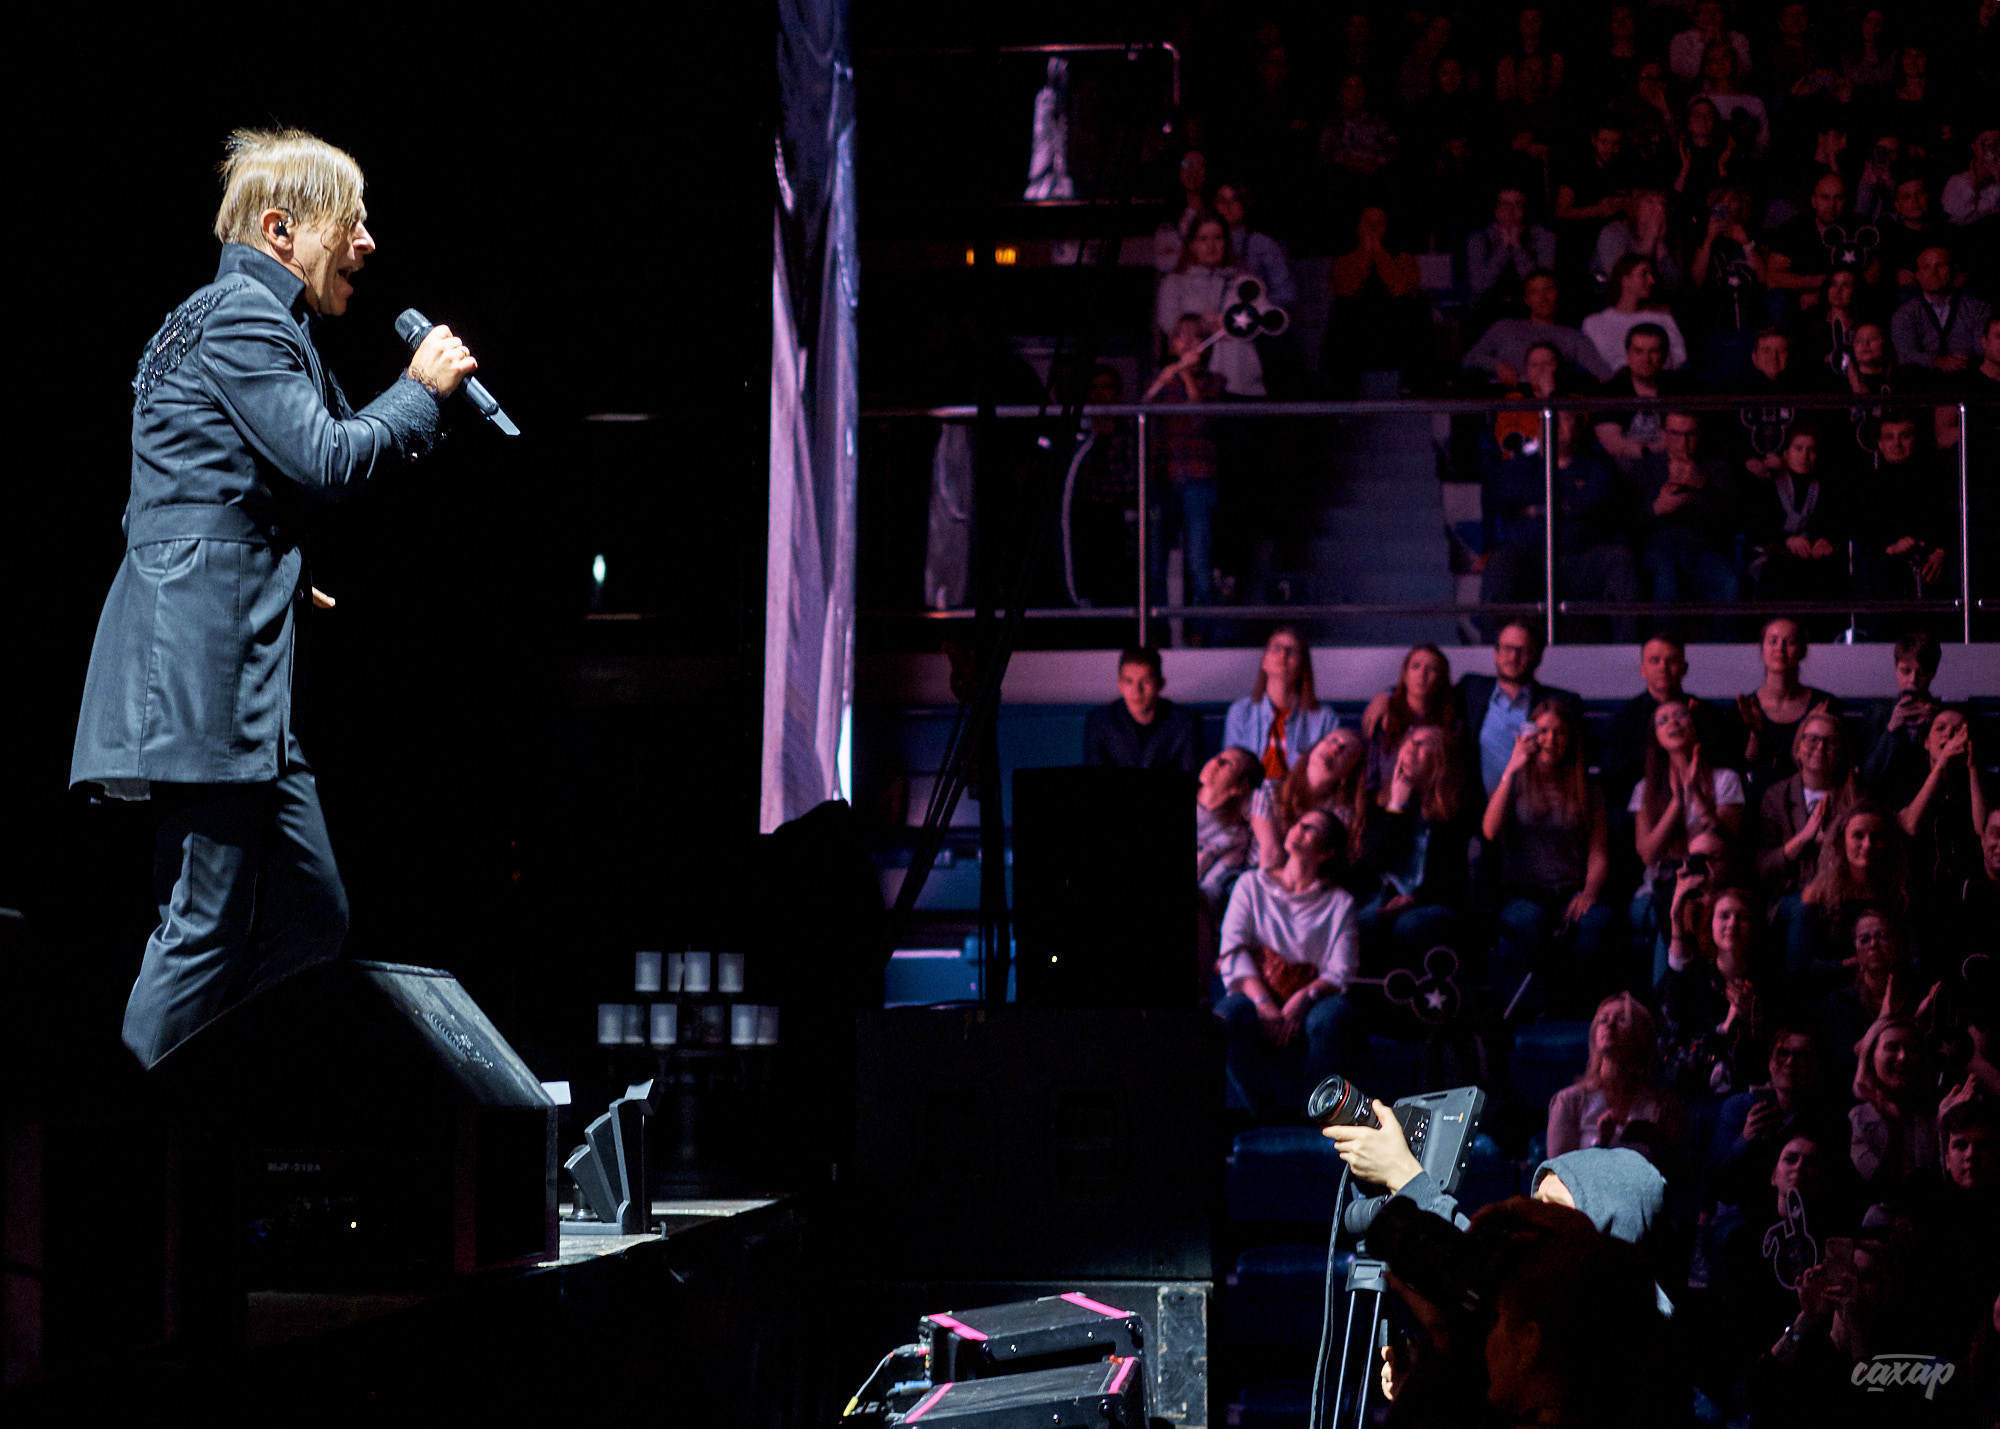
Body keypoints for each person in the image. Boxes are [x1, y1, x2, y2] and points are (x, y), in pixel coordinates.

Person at [71, 128, 481, 1068]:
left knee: (311, 911)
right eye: (355, 219)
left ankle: (202, 1088)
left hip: (235, 663)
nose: (368, 243)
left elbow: (199, 494)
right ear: (280, 228)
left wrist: (279, 576)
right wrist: (419, 391)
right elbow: (327, 455)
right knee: (203, 924)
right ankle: (131, 1135)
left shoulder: (238, 319)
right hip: (206, 672)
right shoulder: (241, 319)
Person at [1215, 809, 1362, 1116]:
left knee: (1332, 1017)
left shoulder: (1339, 902)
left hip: (1308, 996)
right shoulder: (1251, 885)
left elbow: (1342, 970)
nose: (1299, 828)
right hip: (1257, 991)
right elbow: (1234, 949)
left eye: (1312, 829)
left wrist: (1302, 999)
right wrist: (1264, 1003)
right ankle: (1265, 1116)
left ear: (1326, 853)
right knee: (1229, 1014)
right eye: (1299, 823)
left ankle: (1312, 1114)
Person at [1485, 699, 1615, 1009]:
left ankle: (1579, 1010)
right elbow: (1489, 830)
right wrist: (1511, 768)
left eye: (1559, 733)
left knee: (1596, 924)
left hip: (1571, 889)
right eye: (1543, 731)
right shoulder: (1516, 780)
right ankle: (1541, 1008)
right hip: (1524, 892)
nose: (1551, 740)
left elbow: (1598, 851)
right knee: (1530, 923)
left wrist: (1589, 892)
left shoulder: (1588, 786)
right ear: (1531, 735)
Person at [1478, 406, 1641, 644]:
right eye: (1548, 418)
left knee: (1620, 559)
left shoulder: (1598, 466)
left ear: (1579, 425)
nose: (1555, 424)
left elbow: (1595, 502)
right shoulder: (1521, 466)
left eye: (1564, 418)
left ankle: (1629, 652)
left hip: (1581, 559)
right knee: (1500, 562)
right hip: (1534, 560)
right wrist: (1568, 504)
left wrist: (1537, 508)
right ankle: (1493, 649)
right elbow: (1510, 498)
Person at [1547, 992, 1685, 1163]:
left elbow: (1677, 1175)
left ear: (1641, 1035)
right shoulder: (1570, 1102)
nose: (1610, 1024)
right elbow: (1558, 1177)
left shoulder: (1661, 1103)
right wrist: (1601, 1143)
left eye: (1621, 1020)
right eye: (1603, 1020)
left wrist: (1658, 1141)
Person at [1456, 621, 1579, 800]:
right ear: (1496, 653)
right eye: (1507, 648)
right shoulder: (1471, 689)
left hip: (1533, 807)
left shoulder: (1560, 703)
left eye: (1523, 650)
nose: (1513, 657)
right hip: (1476, 807)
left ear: (1538, 657)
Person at [1756, 710, 1859, 913]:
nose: (1820, 747)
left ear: (1840, 753)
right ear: (1798, 748)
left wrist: (1830, 843)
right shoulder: (1776, 796)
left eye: (1830, 742)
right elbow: (1763, 867)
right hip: (1789, 897)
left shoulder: (1854, 797)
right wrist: (1802, 840)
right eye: (1812, 739)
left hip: (1843, 894)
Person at [1154, 212, 1265, 399]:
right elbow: (1171, 326)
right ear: (1191, 244)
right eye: (1203, 238)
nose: (1211, 246)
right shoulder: (1174, 283)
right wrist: (1216, 325)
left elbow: (1259, 324)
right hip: (1195, 385)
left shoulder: (1245, 282)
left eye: (1218, 237)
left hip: (1241, 382)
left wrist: (1209, 323)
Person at [1732, 618, 1839, 794]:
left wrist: (1811, 726)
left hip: (1812, 797)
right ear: (1762, 649)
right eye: (1773, 641)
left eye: (1790, 642)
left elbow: (1835, 768)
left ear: (1802, 650)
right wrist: (1756, 732)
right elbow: (1744, 768)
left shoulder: (1825, 705)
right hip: (1759, 802)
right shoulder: (1745, 707)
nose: (1780, 648)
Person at [1224, 626, 1338, 782]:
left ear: (1302, 665)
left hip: (1299, 799)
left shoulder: (1325, 718)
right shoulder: (1241, 711)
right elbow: (1230, 770)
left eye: (1292, 651)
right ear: (1264, 661)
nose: (1283, 654)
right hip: (1249, 799)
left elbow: (1327, 776)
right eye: (1276, 648)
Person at [1463, 270, 1613, 385]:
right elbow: (1470, 358)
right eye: (1535, 292)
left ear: (1557, 293)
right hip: (1511, 406)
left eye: (1548, 290)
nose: (1543, 298)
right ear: (1527, 299)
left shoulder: (1572, 336)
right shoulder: (1504, 328)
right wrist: (1498, 366)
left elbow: (1603, 373)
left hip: (1554, 405)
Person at [1250, 727, 1369, 871]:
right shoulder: (1269, 790)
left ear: (1348, 773)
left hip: (1307, 884)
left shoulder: (1341, 815)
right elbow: (1271, 851)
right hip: (1257, 877)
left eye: (1346, 750)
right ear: (1315, 748)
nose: (1336, 748)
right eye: (1333, 740)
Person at [1849, 1014, 1938, 1193]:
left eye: (1912, 1048)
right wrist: (1894, 1125)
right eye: (1892, 1047)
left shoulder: (1935, 1113)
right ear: (1871, 1056)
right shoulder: (1857, 1119)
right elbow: (1878, 1185)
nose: (1903, 1057)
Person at [1082, 646, 1199, 771]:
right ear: (1120, 685)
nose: (1136, 691)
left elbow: (1190, 778)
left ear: (1160, 684)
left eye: (1146, 681)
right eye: (1128, 681)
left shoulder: (1185, 722)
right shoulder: (1100, 722)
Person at [1360, 645, 1458, 794]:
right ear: (1405, 675)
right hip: (1384, 800)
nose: (1422, 674)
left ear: (1441, 678)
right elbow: (1371, 775)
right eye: (1416, 666)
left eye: (1432, 669)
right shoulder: (1384, 715)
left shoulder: (1450, 719)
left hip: (1432, 803)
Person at [1593, 324, 1688, 468]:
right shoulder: (1610, 390)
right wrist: (1649, 451)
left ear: (1665, 355)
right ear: (1628, 354)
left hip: (1671, 464)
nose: (1646, 359)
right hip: (1621, 469)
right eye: (1638, 351)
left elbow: (1682, 439)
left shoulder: (1679, 388)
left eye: (1653, 351)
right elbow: (1613, 443)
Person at [1890, 245, 1992, 373]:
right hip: (1921, 381)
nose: (1933, 272)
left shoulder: (1977, 309)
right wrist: (1936, 361)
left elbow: (1984, 348)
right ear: (1918, 275)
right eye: (1926, 267)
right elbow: (1905, 354)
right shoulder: (1904, 313)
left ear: (1953, 271)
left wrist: (1963, 362)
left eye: (1940, 265)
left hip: (1969, 376)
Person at [1582, 255, 1690, 373]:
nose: (1651, 281)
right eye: (1644, 274)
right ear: (1625, 279)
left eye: (1651, 275)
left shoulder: (1662, 318)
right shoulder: (1594, 323)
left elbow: (1679, 358)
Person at [1465, 186, 1557, 310]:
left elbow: (1543, 287)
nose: (1510, 211)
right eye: (1505, 204)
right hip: (1488, 309)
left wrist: (1517, 248)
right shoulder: (1479, 239)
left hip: (1531, 311)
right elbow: (1479, 286)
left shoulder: (1543, 237)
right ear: (1496, 209)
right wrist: (1503, 250)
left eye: (1517, 205)